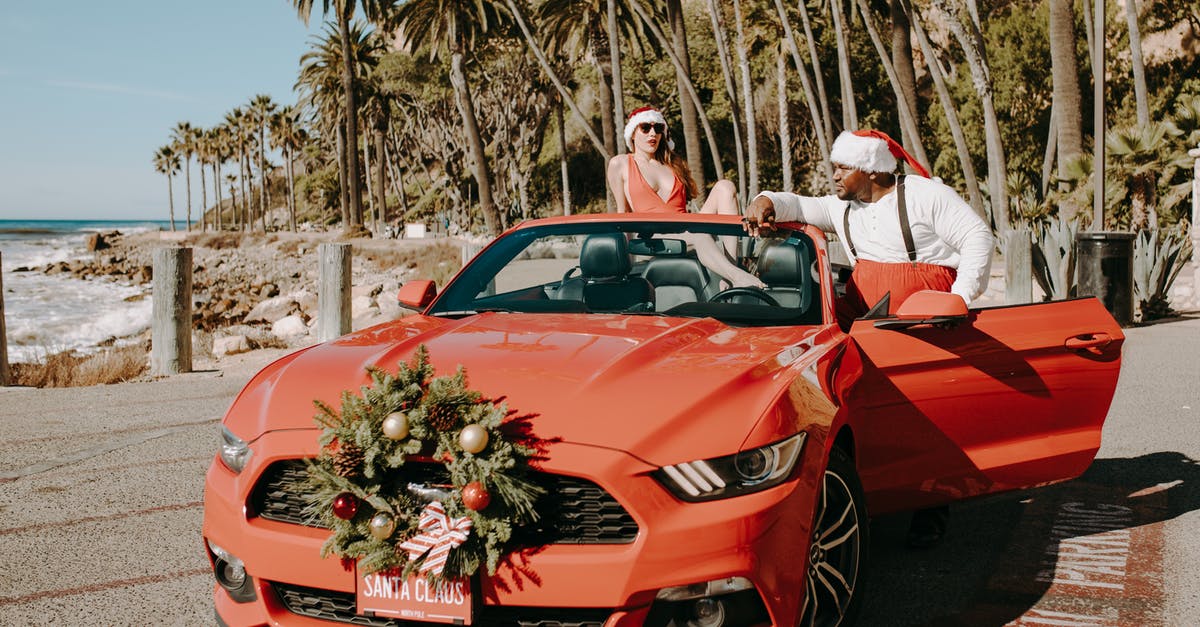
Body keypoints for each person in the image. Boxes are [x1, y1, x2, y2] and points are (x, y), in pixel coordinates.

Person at [744, 129, 994, 548]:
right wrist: (767, 200)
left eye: (842, 167)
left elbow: (977, 238)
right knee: (862, 406)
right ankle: (866, 489)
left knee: (921, 413)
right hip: (863, 313)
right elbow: (803, 204)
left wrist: (959, 299)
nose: (834, 174)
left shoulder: (927, 196)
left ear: (870, 169)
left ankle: (930, 503)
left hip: (919, 318)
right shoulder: (846, 207)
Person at [606, 106, 761, 288]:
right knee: (699, 235)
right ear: (632, 133)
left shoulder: (672, 164)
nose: (652, 134)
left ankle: (731, 270)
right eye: (645, 128)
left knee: (725, 187)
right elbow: (622, 214)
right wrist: (625, 265)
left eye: (658, 129)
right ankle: (738, 276)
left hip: (686, 227)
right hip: (652, 237)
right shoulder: (621, 163)